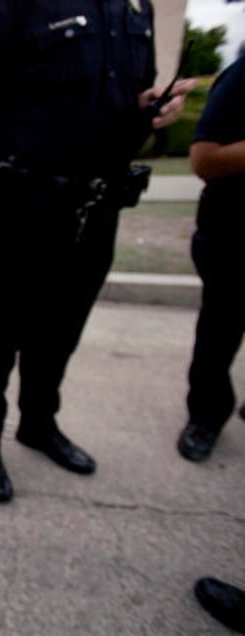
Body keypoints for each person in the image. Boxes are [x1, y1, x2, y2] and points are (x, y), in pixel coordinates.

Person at [0, 0, 196, 504]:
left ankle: (38, 425)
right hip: (23, 213)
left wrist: (151, 111)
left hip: (98, 212)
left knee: (61, 333)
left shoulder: (134, 9)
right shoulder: (10, 8)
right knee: (2, 336)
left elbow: (122, 110)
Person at [176, 55, 245, 463]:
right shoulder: (240, 78)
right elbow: (203, 159)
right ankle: (205, 416)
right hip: (234, 237)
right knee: (220, 333)